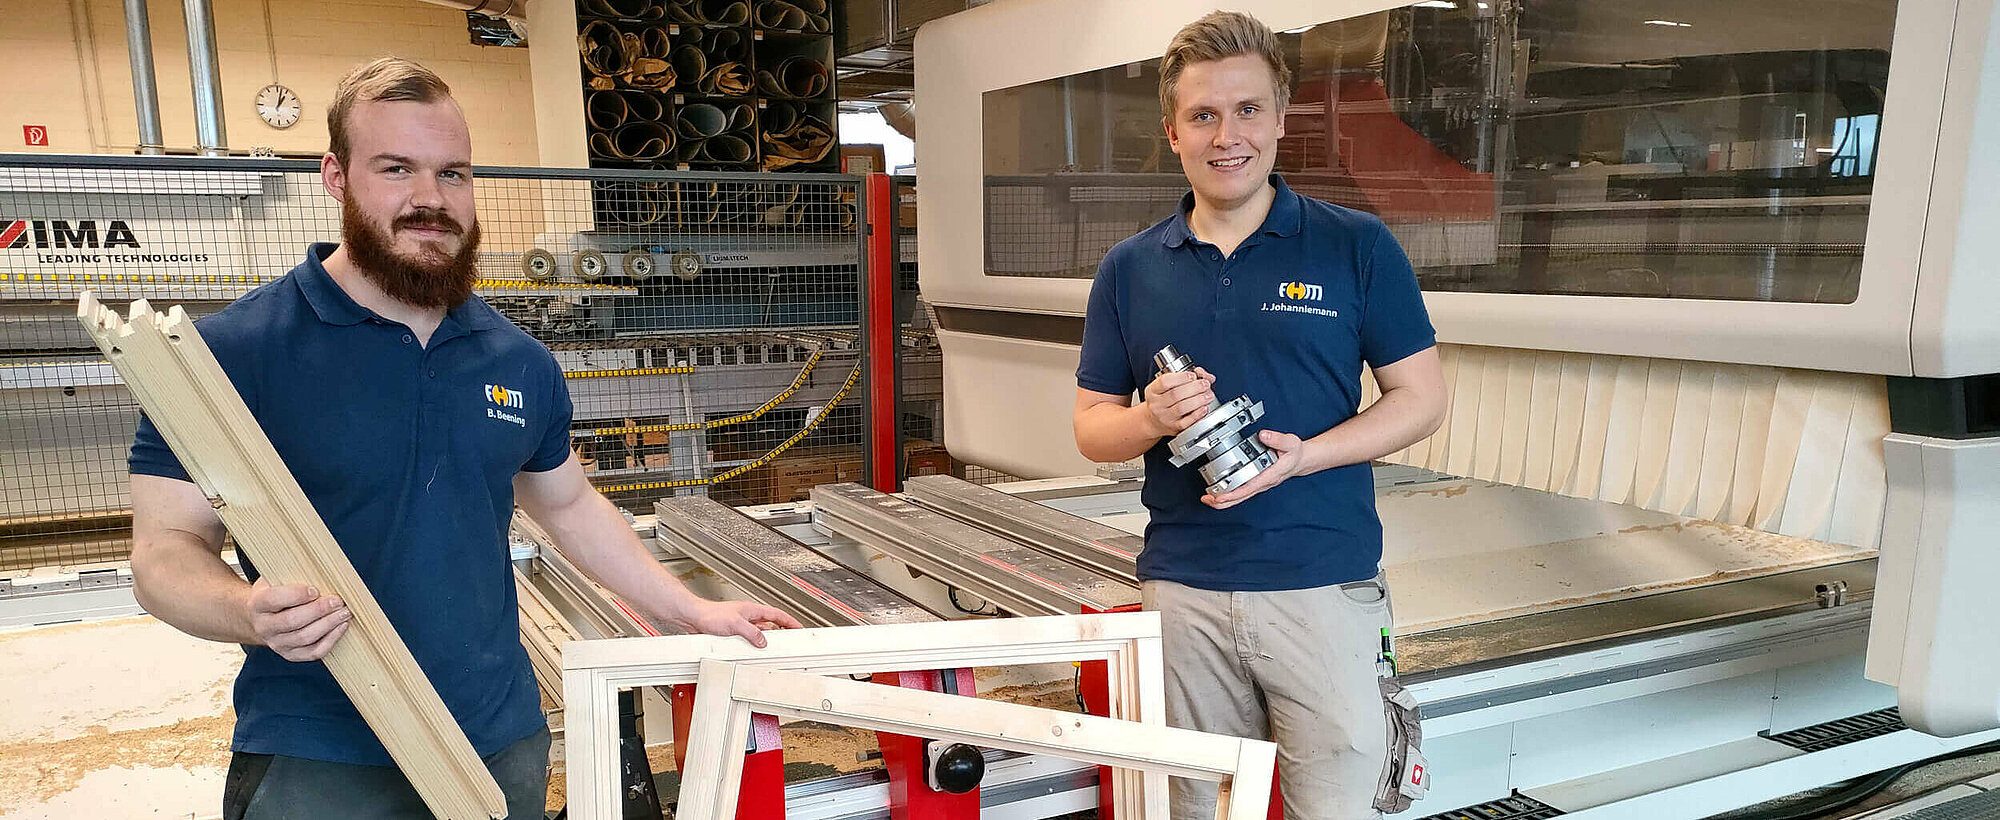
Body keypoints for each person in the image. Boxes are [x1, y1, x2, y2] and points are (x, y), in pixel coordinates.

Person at [126, 57, 801, 819]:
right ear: (336, 177)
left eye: (453, 173)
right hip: (321, 750)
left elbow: (570, 505)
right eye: (396, 169)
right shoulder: (233, 354)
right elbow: (163, 552)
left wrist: (693, 611)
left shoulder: (517, 359)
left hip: (497, 739)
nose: (430, 199)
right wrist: (246, 610)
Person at [1071, 12, 1449, 819]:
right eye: (1203, 115)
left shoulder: (1356, 247)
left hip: (1323, 584)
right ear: (1172, 131)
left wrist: (1304, 457)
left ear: (1282, 119)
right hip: (1185, 592)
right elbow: (1090, 426)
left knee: (1340, 806)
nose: (1227, 136)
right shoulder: (1130, 269)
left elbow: (1421, 400)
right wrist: (1150, 421)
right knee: (1192, 809)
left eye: (1248, 111)